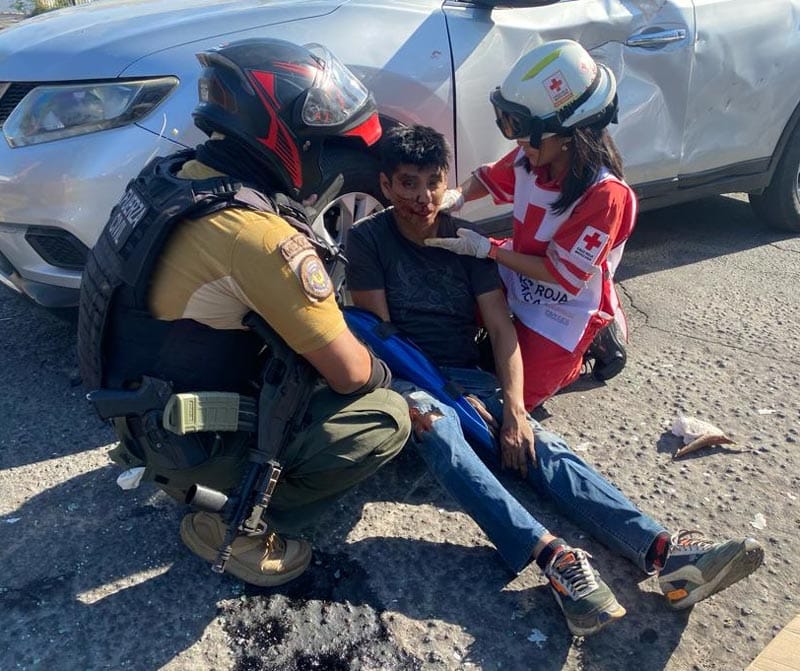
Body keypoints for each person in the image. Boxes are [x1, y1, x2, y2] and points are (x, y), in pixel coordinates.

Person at [344, 123, 764, 637]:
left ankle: (666, 553)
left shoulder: (463, 240)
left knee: (542, 445)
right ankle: (554, 558)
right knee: (436, 425)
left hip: (467, 376)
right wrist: (448, 399)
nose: (422, 197)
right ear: (385, 186)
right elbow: (384, 341)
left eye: (434, 181)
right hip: (407, 377)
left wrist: (515, 411)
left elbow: (501, 330)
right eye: (408, 183)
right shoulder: (367, 240)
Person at [76, 38, 410, 588]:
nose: (331, 163)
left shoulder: (175, 177)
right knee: (383, 417)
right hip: (188, 443)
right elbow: (353, 374)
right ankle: (236, 528)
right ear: (287, 139)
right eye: (326, 149)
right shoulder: (257, 237)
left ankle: (188, 474)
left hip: (139, 412)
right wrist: (377, 367)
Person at [426, 39, 635, 410]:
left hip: (564, 300)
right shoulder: (533, 156)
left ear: (570, 133)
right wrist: (454, 197)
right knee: (445, 308)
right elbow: (489, 180)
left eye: (524, 129)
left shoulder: (604, 195)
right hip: (519, 267)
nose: (520, 140)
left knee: (519, 394)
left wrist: (487, 249)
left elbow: (560, 274)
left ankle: (595, 338)